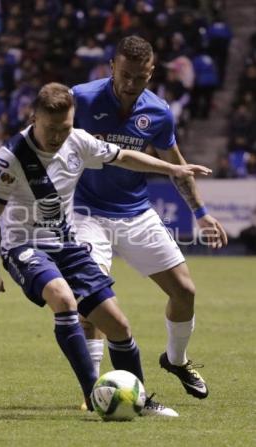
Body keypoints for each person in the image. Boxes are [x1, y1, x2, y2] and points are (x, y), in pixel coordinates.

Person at [0, 82, 211, 417]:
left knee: (119, 327)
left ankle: (141, 400)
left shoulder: (78, 140)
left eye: (65, 127)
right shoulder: (12, 156)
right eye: (51, 128)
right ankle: (95, 394)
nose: (58, 136)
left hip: (66, 245)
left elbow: (124, 156)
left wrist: (172, 168)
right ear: (33, 119)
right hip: (24, 246)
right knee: (63, 299)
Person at [72, 36, 228, 403]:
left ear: (151, 72)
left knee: (185, 291)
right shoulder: (81, 97)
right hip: (84, 212)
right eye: (124, 74)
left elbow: (176, 165)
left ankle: (176, 359)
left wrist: (201, 214)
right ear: (111, 66)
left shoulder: (158, 111)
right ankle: (92, 387)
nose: (130, 83)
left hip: (135, 211)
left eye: (139, 77)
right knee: (92, 299)